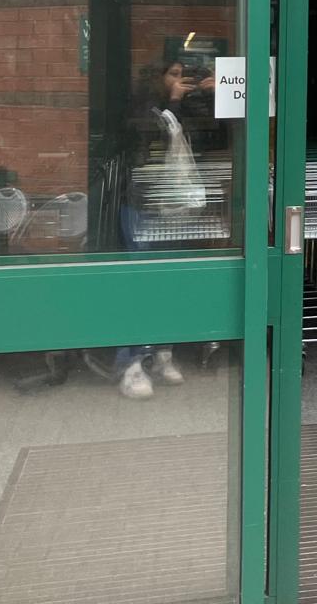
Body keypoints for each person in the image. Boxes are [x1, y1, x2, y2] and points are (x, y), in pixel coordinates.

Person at [117, 56, 212, 399]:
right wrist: (173, 100)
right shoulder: (145, 108)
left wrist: (214, 96)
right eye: (173, 74)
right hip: (144, 206)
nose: (180, 80)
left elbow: (204, 141)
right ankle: (131, 365)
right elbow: (145, 142)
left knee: (171, 281)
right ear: (157, 78)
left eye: (184, 75)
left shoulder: (183, 104)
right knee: (141, 286)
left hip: (174, 209)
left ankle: (162, 353)